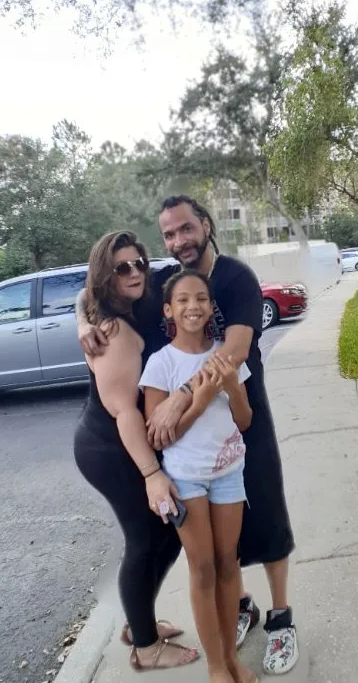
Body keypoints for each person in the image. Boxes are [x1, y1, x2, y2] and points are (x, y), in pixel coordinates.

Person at [77, 197, 299, 676]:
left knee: (264, 515)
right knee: (187, 549)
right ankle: (208, 622)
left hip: (232, 420)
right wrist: (82, 319)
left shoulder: (235, 277)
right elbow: (99, 285)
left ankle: (280, 616)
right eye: (170, 234)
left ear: (206, 225)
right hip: (161, 446)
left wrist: (183, 401)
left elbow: (233, 352)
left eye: (186, 229)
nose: (179, 241)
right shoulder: (158, 283)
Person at [73, 230, 200, 672]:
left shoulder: (141, 294)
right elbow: (125, 413)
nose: (134, 272)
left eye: (138, 263)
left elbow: (82, 293)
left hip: (126, 445)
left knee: (166, 537)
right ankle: (145, 648)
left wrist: (79, 318)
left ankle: (138, 623)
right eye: (121, 268)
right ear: (106, 276)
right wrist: (152, 474)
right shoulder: (114, 332)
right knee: (145, 540)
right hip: (111, 450)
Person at [140, 269, 257, 683]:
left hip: (229, 473)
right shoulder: (161, 364)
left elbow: (244, 421)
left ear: (211, 308)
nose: (194, 306)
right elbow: (160, 435)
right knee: (203, 568)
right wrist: (203, 394)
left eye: (202, 299)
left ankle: (230, 656)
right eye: (184, 300)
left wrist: (233, 388)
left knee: (229, 565)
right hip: (186, 481)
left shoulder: (225, 356)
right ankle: (213, 666)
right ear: (169, 310)